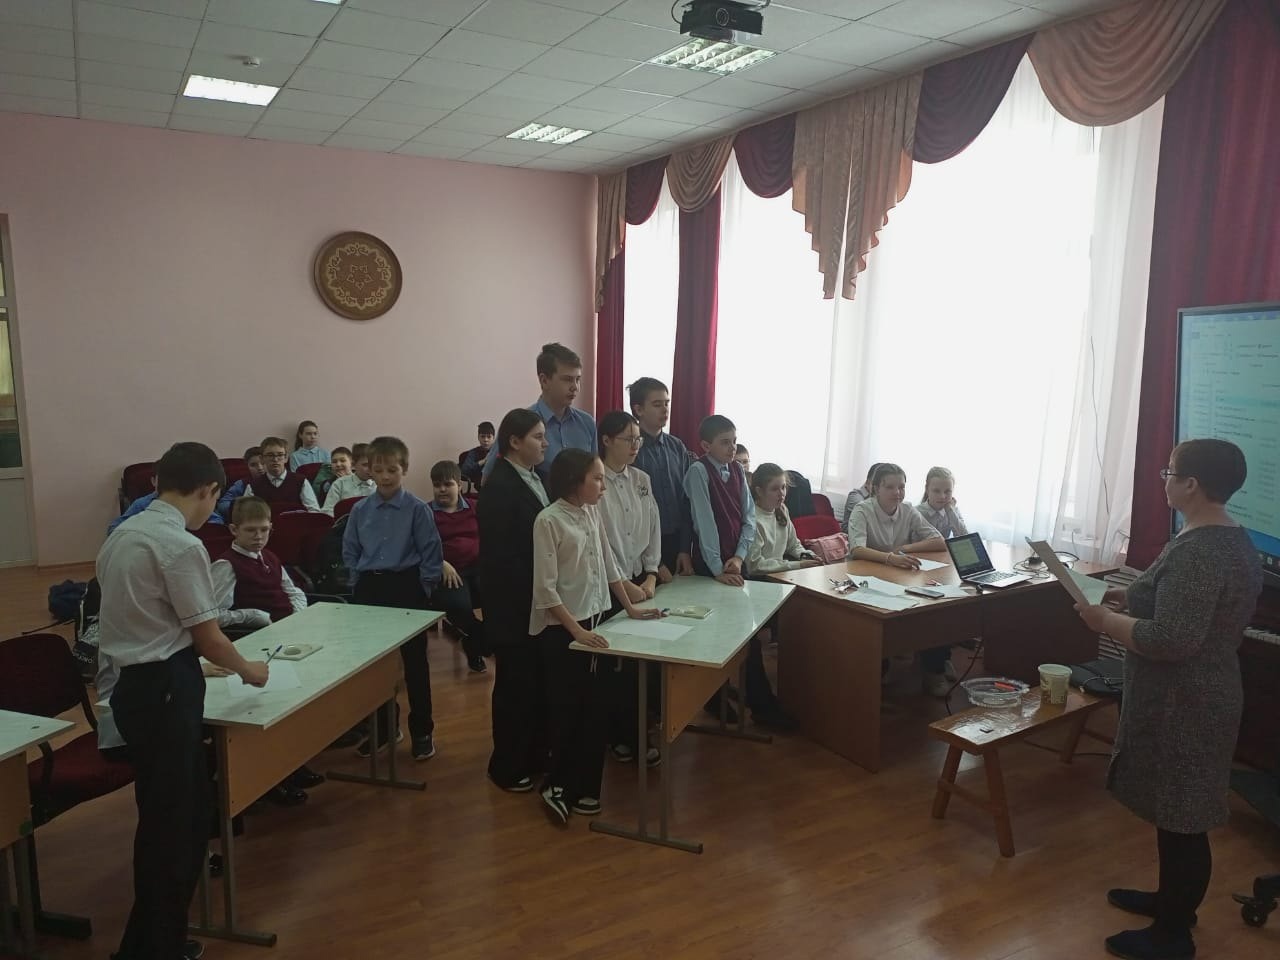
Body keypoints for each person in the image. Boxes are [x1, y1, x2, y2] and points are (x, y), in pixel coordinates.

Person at [1075, 439, 1262, 960]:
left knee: (1183, 820)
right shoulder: (1221, 536)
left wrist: (1104, 621)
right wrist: (1128, 596)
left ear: (1191, 484)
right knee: (1173, 811)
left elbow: (1173, 638)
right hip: (1193, 695)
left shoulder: (1200, 551)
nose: (1164, 480)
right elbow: (1177, 604)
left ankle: (1173, 935)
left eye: (1169, 472)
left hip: (1188, 702)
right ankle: (1170, 902)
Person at [96, 442, 267, 960]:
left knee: (163, 818)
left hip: (135, 687)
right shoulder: (180, 546)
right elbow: (209, 636)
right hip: (166, 690)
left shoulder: (121, 534)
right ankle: (155, 948)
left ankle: (150, 942)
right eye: (213, 502)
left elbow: (148, 622)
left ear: (157, 483)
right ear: (208, 490)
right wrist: (249, 670)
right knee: (178, 826)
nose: (210, 512)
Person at [531, 448, 662, 824]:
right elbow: (545, 590)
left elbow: (610, 566)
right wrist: (576, 632)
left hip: (597, 623)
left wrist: (630, 608)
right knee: (567, 711)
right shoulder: (548, 520)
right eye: (598, 479)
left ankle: (587, 786)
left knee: (595, 711)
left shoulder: (591, 513)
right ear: (576, 481)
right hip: (564, 632)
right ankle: (557, 786)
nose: (604, 486)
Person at [210, 494, 323, 804]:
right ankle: (270, 781)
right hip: (254, 645)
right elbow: (214, 615)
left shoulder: (270, 557)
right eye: (251, 530)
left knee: (293, 707)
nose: (258, 536)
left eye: (264, 530)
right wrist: (253, 615)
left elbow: (293, 591)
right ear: (234, 530)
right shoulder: (226, 565)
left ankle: (291, 765)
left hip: (285, 637)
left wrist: (299, 615)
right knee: (268, 713)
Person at [684, 415, 792, 728]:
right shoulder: (698, 472)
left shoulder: (737, 471)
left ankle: (758, 704)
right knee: (715, 636)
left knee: (746, 635)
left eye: (734, 441)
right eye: (724, 443)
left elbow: (748, 519)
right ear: (706, 446)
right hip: (710, 566)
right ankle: (723, 700)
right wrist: (718, 567)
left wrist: (739, 557)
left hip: (734, 563)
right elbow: (704, 523)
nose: (732, 448)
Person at [342, 435, 443, 762]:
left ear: (404, 470)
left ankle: (422, 730)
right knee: (374, 665)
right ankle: (386, 727)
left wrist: (423, 589)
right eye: (379, 470)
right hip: (371, 588)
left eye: (392, 470)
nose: (385, 476)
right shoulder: (360, 510)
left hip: (407, 586)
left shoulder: (417, 509)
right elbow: (350, 550)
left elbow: (431, 553)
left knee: (415, 664)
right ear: (369, 470)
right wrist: (357, 582)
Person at [479, 409, 549, 793]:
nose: (545, 443)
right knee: (513, 687)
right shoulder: (500, 486)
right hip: (513, 603)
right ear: (515, 441)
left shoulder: (536, 477)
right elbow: (501, 556)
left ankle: (534, 755)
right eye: (538, 436)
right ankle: (505, 765)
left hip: (536, 599)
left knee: (534, 684)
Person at [846, 463, 950, 696]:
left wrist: (905, 548)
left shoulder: (908, 510)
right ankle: (879, 669)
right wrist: (890, 557)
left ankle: (934, 671)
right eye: (890, 487)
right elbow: (857, 549)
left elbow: (939, 541)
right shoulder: (863, 510)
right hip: (865, 577)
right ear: (876, 488)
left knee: (936, 611)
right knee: (877, 623)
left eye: (901, 487)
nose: (897, 492)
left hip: (898, 574)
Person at [595, 410, 663, 766]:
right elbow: (598, 539)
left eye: (638, 439)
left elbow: (653, 526)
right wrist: (622, 582)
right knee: (616, 666)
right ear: (607, 440)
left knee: (642, 661)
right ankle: (620, 736)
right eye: (628, 439)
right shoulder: (594, 479)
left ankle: (637, 729)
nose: (636, 445)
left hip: (640, 581)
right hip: (608, 585)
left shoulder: (641, 478)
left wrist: (651, 573)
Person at [482, 342, 595, 483]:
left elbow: (595, 474)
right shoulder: (518, 425)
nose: (575, 387)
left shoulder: (587, 423)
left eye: (577, 379)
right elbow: (488, 479)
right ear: (544, 380)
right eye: (567, 379)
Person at [630, 377, 694, 580]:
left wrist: (685, 548)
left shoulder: (677, 447)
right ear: (638, 409)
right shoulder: (631, 449)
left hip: (677, 542)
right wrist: (656, 562)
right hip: (642, 548)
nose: (665, 410)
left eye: (667, 403)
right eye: (657, 404)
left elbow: (686, 500)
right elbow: (632, 512)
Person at [428, 459, 488, 674]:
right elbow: (419, 546)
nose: (442, 489)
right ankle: (479, 642)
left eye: (448, 484)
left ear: (459, 485)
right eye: (437, 485)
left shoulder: (474, 506)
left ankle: (475, 642)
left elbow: (490, 535)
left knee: (499, 600)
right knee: (459, 607)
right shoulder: (426, 512)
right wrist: (441, 563)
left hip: (479, 567)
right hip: (449, 571)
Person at [746, 462, 821, 574]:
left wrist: (807, 555)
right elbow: (755, 566)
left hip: (780, 574)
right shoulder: (754, 519)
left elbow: (793, 545)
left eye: (783, 487)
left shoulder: (782, 509)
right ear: (759, 491)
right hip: (761, 579)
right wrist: (798, 565)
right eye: (774, 489)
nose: (781, 493)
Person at [112, 469, 225, 535]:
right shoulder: (142, 503)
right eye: (162, 480)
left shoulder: (187, 503)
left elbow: (217, 521)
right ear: (153, 481)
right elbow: (114, 527)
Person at [252, 436, 321, 514]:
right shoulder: (253, 485)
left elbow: (314, 511)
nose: (275, 459)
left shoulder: (300, 481)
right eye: (270, 455)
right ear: (262, 459)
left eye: (280, 455)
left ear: (286, 458)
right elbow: (247, 514)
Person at [322, 442, 374, 515]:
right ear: (353, 465)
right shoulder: (340, 484)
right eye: (365, 465)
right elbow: (328, 511)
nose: (371, 468)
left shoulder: (380, 485)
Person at [215, 446, 266, 520]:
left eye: (263, 463)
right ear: (247, 467)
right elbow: (222, 505)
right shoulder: (242, 483)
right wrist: (241, 505)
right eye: (253, 465)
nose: (260, 468)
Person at [917, 466, 968, 540]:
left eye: (947, 491)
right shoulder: (917, 513)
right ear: (927, 489)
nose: (942, 496)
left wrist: (950, 511)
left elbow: (965, 538)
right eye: (936, 491)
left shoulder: (953, 511)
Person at [461, 421, 495, 487]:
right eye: (482, 436)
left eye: (489, 437)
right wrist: (483, 461)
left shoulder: (499, 452)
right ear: (478, 438)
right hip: (480, 485)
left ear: (493, 438)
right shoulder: (473, 453)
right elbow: (464, 470)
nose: (485, 440)